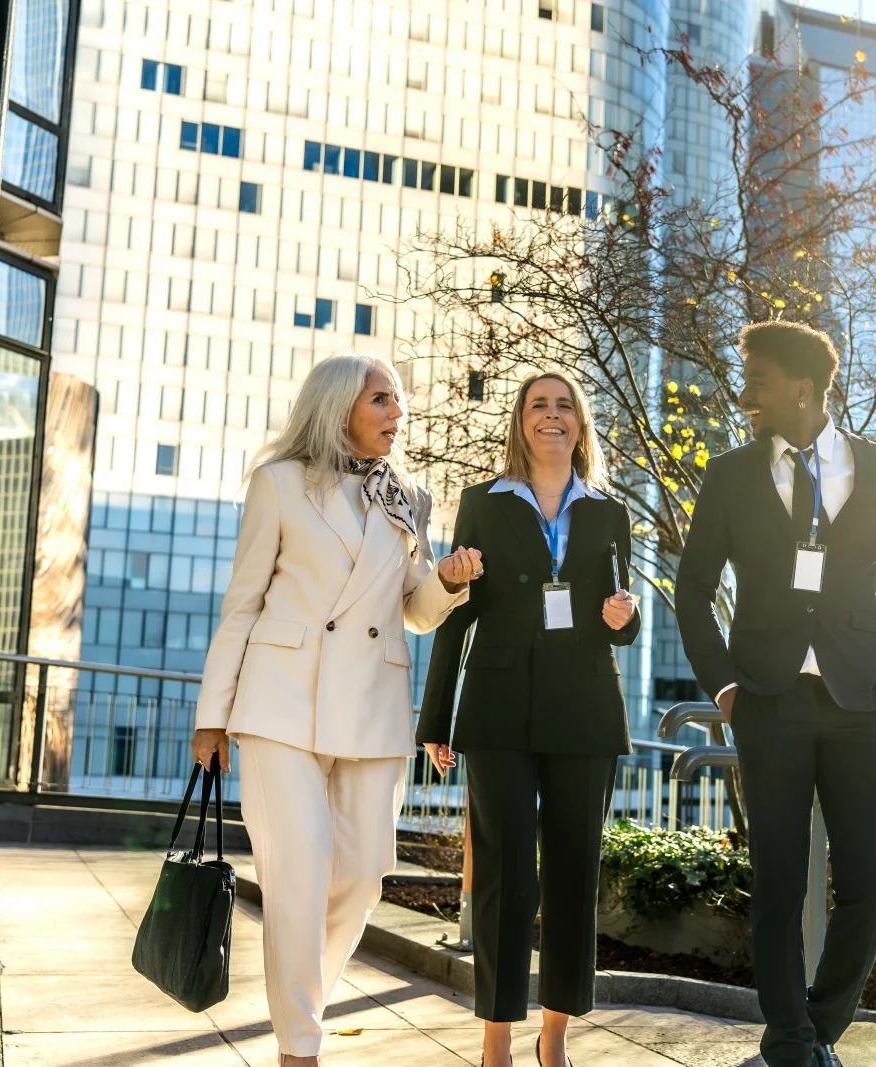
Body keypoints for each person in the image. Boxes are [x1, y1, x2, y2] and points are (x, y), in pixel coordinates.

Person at [190, 354, 483, 1067]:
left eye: (399, 401)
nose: (397, 412)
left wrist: (444, 582)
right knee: (299, 871)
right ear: (338, 406)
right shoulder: (280, 484)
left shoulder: (407, 496)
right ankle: (300, 1048)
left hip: (372, 706)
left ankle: (302, 1012)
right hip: (279, 700)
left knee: (360, 875)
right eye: (382, 398)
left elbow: (411, 611)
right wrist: (212, 714)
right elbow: (244, 603)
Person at [675, 322, 876, 1067]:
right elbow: (692, 589)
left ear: (801, 389)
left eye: (755, 379)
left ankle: (814, 1028)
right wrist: (726, 686)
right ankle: (791, 1041)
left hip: (864, 704)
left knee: (868, 882)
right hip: (768, 701)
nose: (744, 394)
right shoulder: (730, 474)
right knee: (778, 884)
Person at [417, 371, 639, 1067]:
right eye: (538, 405)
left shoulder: (608, 510)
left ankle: (555, 1036)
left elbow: (620, 611)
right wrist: (435, 718)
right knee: (506, 876)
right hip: (497, 711)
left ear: (580, 424)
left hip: (585, 711)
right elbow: (458, 613)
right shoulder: (483, 502)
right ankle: (495, 1045)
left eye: (564, 405)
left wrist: (621, 620)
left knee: (574, 874)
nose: (551, 415)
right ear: (520, 422)